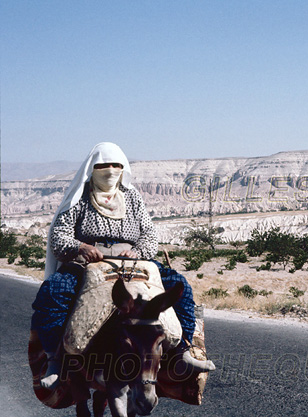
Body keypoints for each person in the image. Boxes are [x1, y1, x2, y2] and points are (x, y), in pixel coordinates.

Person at [31, 142, 214, 390]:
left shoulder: (132, 197)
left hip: (132, 260)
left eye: (116, 165)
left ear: (123, 168)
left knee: (179, 285)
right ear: (92, 168)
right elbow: (60, 234)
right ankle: (55, 359)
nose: (110, 170)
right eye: (103, 165)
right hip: (88, 261)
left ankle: (183, 350)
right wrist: (81, 248)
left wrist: (137, 250)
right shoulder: (80, 197)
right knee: (54, 291)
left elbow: (149, 233)